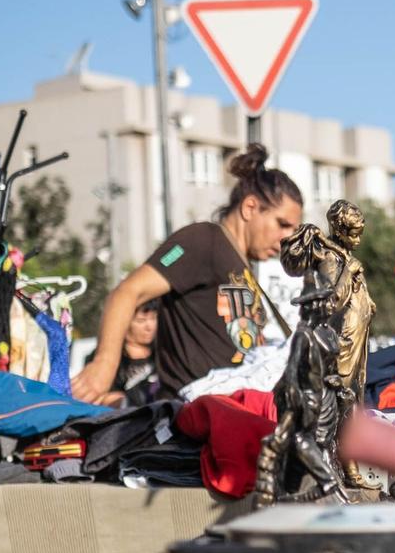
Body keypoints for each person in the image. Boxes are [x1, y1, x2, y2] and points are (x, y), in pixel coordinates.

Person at [71, 143, 302, 401]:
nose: (287, 239)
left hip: (237, 414)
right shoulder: (203, 240)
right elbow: (128, 291)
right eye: (282, 225)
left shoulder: (240, 264)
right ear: (250, 208)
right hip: (194, 419)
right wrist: (104, 365)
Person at [91, 301, 160, 408]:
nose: (150, 327)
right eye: (141, 321)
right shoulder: (105, 356)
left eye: (153, 318)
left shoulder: (163, 350)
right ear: (123, 323)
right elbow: (100, 397)